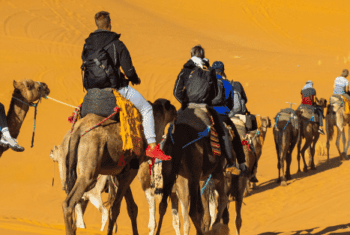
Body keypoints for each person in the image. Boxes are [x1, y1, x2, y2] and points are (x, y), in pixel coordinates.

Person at [82, 11, 169, 161]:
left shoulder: (87, 45)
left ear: (97, 26)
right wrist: (134, 78)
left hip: (92, 91)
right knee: (147, 109)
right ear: (109, 25)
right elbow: (128, 69)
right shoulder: (116, 44)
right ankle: (153, 147)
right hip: (116, 89)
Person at [173, 45, 246, 173]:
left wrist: (185, 103)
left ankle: (161, 158)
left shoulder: (185, 70)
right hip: (209, 108)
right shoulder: (218, 77)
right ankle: (233, 163)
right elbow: (217, 95)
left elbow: (176, 92)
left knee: (171, 128)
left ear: (191, 55)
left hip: (186, 108)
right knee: (223, 132)